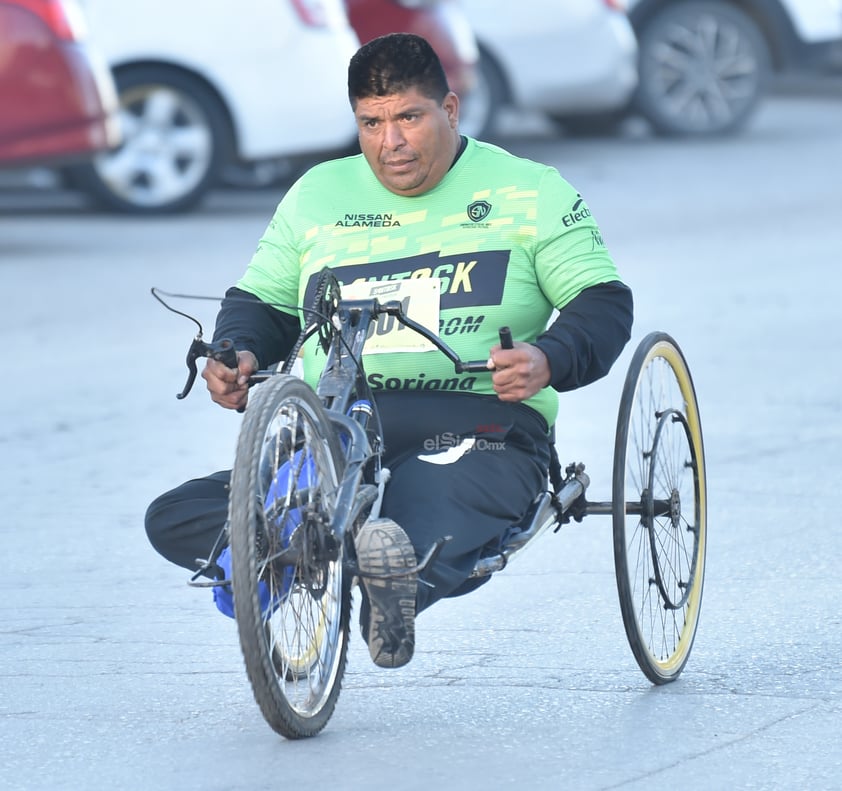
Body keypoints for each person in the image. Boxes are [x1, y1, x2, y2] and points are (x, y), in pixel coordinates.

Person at [145, 33, 633, 669]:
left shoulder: (530, 191)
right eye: (370, 123)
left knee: (417, 513)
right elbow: (261, 301)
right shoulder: (317, 195)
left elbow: (603, 300)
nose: (390, 143)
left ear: (450, 111)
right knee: (175, 515)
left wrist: (549, 357)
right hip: (335, 430)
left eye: (408, 117)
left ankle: (384, 581)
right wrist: (235, 352)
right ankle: (329, 548)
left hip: (477, 422)